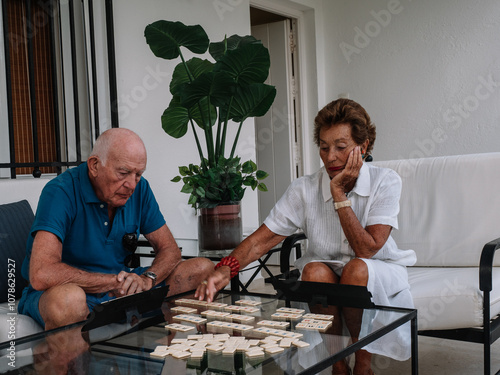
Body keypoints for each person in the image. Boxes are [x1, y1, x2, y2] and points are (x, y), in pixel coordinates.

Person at [196, 98, 416, 375]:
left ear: (364, 146)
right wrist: (225, 269)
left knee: (357, 268)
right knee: (312, 270)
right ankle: (338, 364)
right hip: (326, 271)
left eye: (341, 147)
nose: (331, 157)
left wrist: (338, 196)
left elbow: (367, 249)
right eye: (324, 147)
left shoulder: (386, 181)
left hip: (377, 270)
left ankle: (362, 362)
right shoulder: (304, 188)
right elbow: (262, 239)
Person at [18, 128, 214, 331]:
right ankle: (72, 361)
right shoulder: (60, 192)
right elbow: (42, 273)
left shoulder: (140, 189)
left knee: (202, 269)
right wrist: (113, 282)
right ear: (95, 166)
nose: (131, 184)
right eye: (123, 173)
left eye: (138, 174)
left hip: (121, 289)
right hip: (67, 292)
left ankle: (174, 350)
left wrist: (148, 279)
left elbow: (170, 250)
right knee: (69, 299)